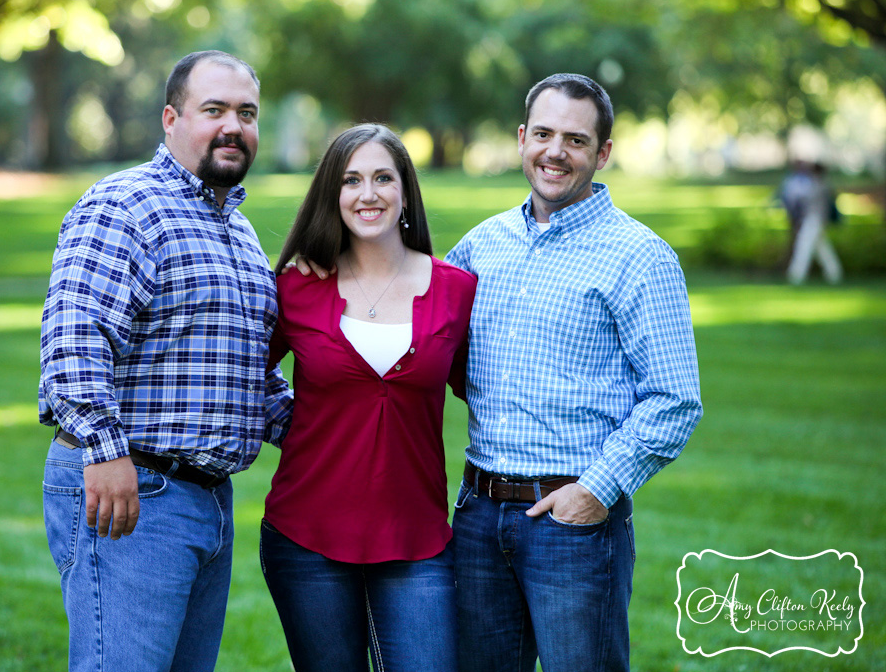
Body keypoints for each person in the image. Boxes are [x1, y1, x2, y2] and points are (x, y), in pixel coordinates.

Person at [38, 50, 292, 672]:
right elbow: (75, 333)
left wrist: (345, 432)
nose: (234, 126)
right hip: (133, 490)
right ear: (171, 118)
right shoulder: (126, 204)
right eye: (215, 110)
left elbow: (253, 378)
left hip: (208, 499)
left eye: (247, 113)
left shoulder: (239, 232)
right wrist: (104, 450)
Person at [442, 74, 703, 671]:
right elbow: (427, 335)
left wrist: (594, 492)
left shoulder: (639, 255)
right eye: (543, 133)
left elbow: (674, 400)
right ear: (521, 138)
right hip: (479, 515)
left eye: (575, 140)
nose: (555, 151)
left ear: (603, 152)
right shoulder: (482, 245)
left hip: (574, 526)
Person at [261, 124, 476, 671]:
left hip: (418, 540)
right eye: (351, 180)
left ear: (406, 191)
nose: (368, 193)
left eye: (384, 178)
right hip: (305, 536)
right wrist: (294, 427)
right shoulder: (296, 288)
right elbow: (236, 376)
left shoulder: (457, 291)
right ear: (333, 193)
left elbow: (494, 394)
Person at [782, 160, 843, 285]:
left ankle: (796, 275)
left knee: (803, 246)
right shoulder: (822, 184)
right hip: (816, 220)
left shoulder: (818, 185)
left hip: (813, 220)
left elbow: (803, 200)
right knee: (822, 249)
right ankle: (834, 273)